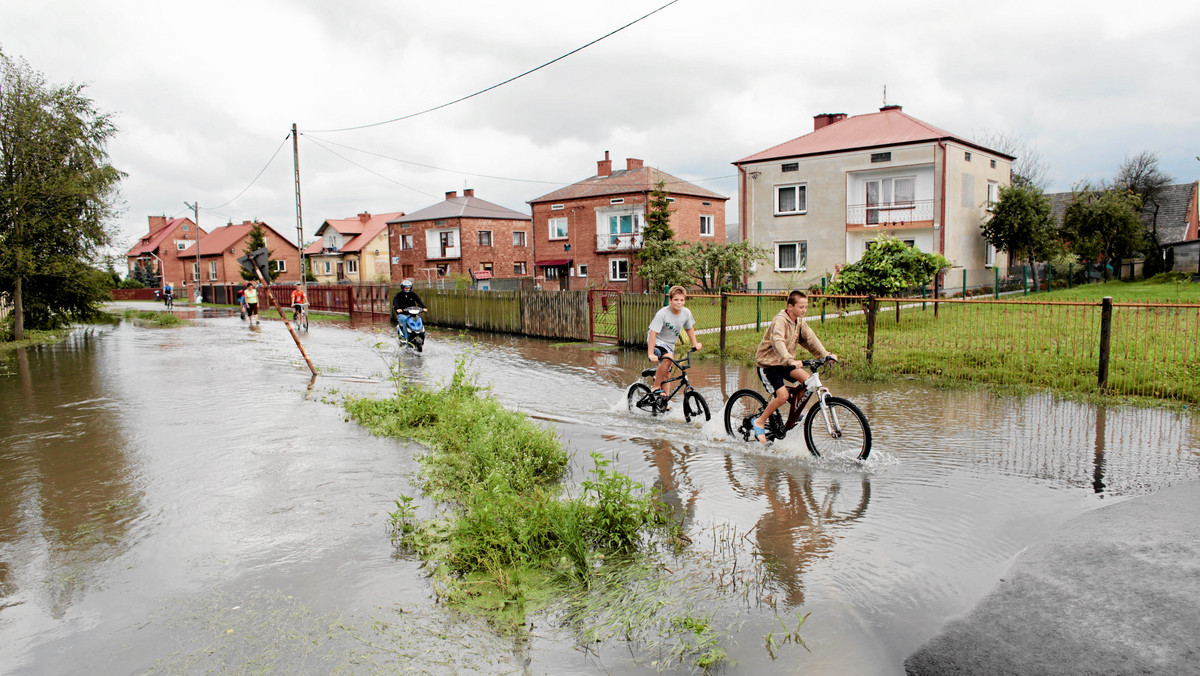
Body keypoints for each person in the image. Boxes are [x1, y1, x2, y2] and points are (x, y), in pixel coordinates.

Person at [750, 289, 837, 444]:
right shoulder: (780, 321)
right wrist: (789, 359)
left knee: (807, 382)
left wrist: (825, 355)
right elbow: (778, 342)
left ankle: (795, 414)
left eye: (806, 307)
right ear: (790, 307)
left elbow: (811, 340)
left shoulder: (799, 322)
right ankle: (760, 421)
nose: (804, 310)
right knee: (782, 396)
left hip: (785, 362)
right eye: (800, 307)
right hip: (769, 364)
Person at [646, 286, 702, 408]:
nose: (679, 303)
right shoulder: (662, 314)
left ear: (685, 301)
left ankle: (664, 401)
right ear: (670, 300)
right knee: (668, 358)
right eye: (676, 300)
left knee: (667, 374)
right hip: (657, 342)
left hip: (670, 345)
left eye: (682, 300)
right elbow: (653, 333)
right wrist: (651, 353)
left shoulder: (686, 313)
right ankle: (655, 386)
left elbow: (689, 328)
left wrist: (695, 343)